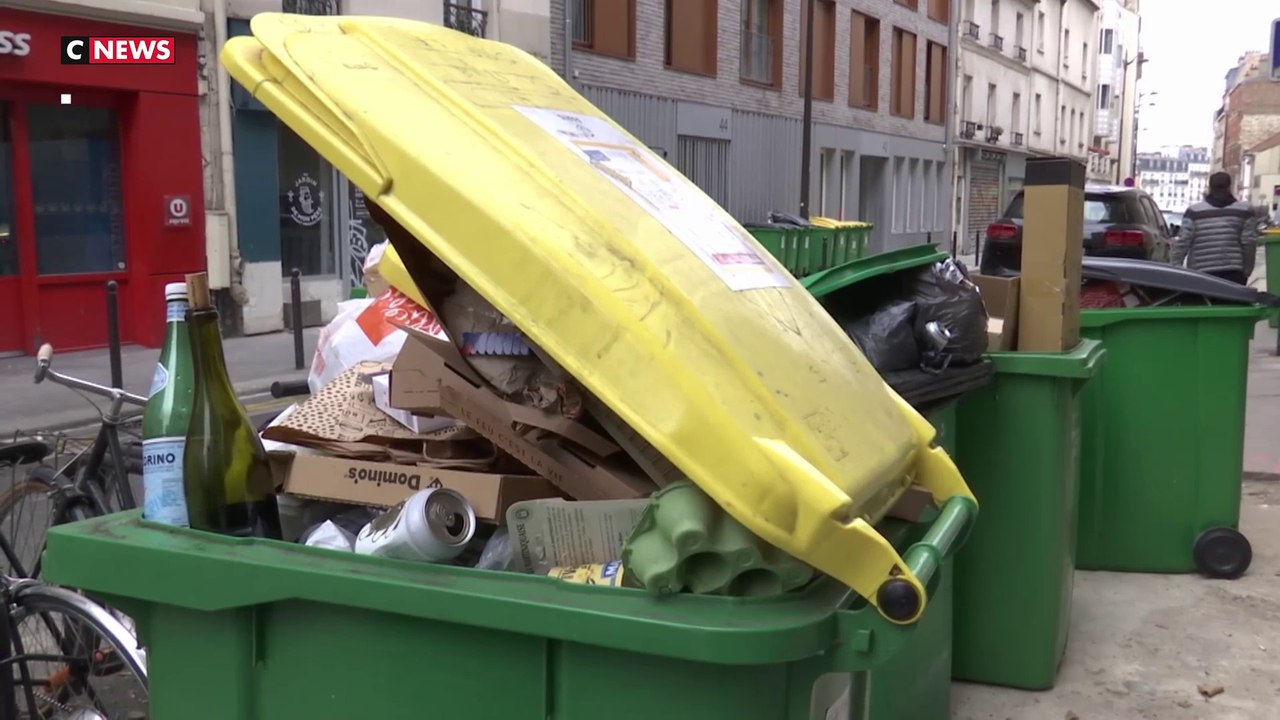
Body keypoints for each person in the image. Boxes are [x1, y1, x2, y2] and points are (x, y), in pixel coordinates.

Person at [1173, 172, 1257, 284]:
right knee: (1231, 301)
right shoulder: (1245, 211)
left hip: (1200, 272)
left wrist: (1176, 267)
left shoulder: (1194, 211)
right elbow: (1249, 242)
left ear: (1210, 187)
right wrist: (1247, 270)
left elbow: (1183, 241)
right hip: (1234, 271)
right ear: (1229, 187)